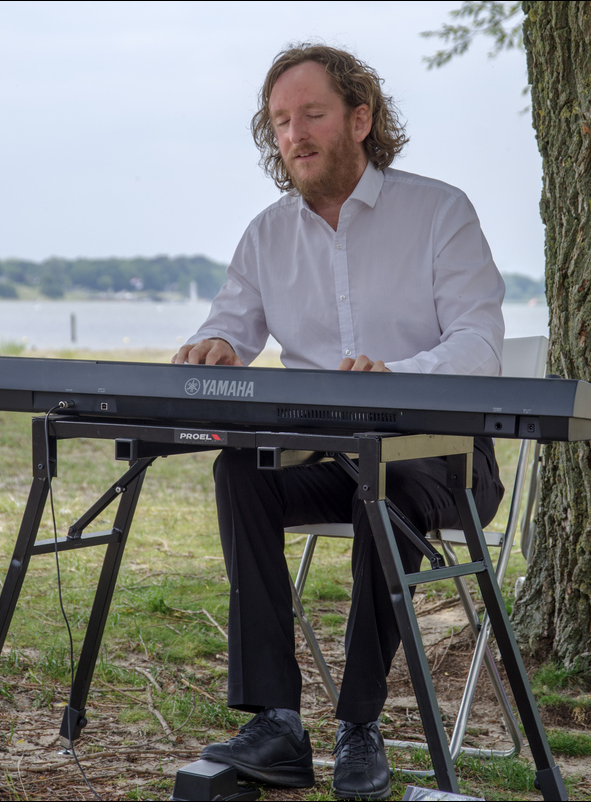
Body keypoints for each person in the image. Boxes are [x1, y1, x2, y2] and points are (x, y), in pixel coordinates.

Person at [172, 44, 506, 800]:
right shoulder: (265, 234)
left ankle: (360, 725)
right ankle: (277, 723)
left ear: (360, 119)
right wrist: (220, 343)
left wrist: (398, 375)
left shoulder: (440, 211)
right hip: (328, 458)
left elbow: (481, 347)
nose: (294, 134)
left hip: (443, 461)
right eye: (281, 121)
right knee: (240, 473)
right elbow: (230, 325)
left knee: (379, 489)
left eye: (312, 114)